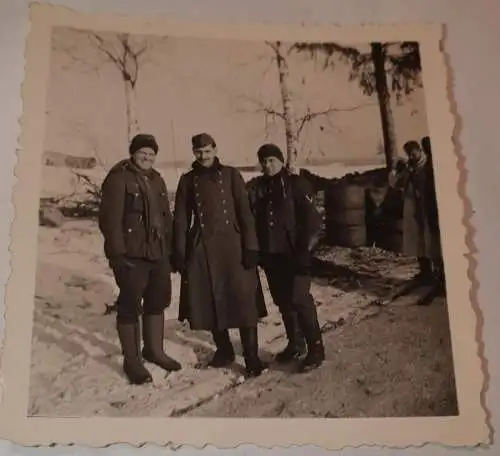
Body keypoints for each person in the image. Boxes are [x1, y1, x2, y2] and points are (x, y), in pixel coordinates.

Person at [172, 133, 268, 377]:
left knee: (244, 300)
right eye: (198, 152)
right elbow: (181, 219)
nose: (203, 156)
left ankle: (252, 357)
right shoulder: (187, 180)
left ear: (215, 149)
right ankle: (224, 350)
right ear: (194, 153)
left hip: (234, 247)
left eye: (207, 150)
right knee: (210, 301)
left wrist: (251, 247)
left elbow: (245, 213)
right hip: (202, 249)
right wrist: (180, 253)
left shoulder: (231, 175)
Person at [98, 133, 181, 385]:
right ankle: (132, 360)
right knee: (130, 305)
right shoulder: (118, 179)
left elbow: (166, 219)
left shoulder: (157, 179)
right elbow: (109, 221)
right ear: (133, 153)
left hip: (158, 254)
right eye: (142, 152)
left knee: (158, 300)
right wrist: (118, 255)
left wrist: (172, 250)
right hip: (132, 256)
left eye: (152, 154)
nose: (147, 157)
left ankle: (154, 350)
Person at [246, 143, 325, 373]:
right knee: (283, 301)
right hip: (273, 256)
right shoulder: (260, 188)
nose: (268, 165)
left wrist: (305, 252)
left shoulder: (296, 184)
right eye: (264, 161)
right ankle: (296, 344)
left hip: (295, 254)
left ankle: (316, 349)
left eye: (272, 160)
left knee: (300, 299)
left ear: (281, 161)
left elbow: (313, 223)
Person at [388, 139, 442, 282]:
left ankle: (438, 273)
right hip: (413, 209)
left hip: (426, 208)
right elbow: (394, 184)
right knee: (416, 241)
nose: (411, 157)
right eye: (408, 154)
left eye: (413, 153)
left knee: (431, 241)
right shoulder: (408, 169)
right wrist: (396, 169)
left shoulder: (427, 166)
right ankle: (424, 271)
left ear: (419, 151)